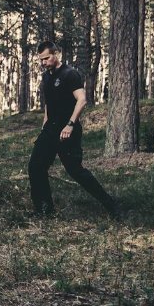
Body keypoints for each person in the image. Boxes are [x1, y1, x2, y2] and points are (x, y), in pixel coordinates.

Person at [29, 40, 120, 219]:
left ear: (57, 54)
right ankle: (44, 210)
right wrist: (44, 127)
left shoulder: (70, 74)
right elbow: (49, 104)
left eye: (46, 58)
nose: (43, 62)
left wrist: (70, 125)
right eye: (41, 60)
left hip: (67, 130)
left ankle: (111, 205)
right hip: (50, 130)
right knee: (35, 167)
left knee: (75, 171)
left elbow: (82, 100)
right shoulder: (47, 76)